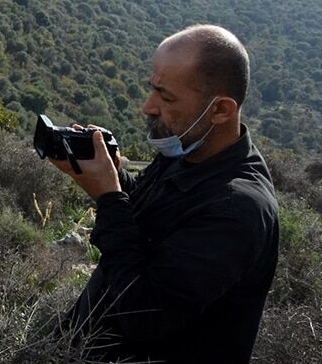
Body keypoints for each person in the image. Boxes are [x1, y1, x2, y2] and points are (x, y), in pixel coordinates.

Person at [49, 24, 279, 363]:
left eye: (166, 97)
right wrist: (114, 176)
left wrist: (109, 198)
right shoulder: (188, 150)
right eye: (152, 89)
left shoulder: (236, 209)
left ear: (221, 110)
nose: (148, 107)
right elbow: (153, 218)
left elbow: (144, 315)